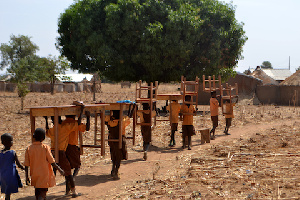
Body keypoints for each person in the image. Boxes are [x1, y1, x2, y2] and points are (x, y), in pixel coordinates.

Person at [45, 115, 86, 197]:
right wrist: (81, 114)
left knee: (52, 172)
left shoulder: (52, 130)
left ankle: (44, 192)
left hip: (52, 152)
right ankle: (74, 192)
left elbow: (47, 132)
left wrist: (46, 120)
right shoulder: (65, 127)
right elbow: (77, 124)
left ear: (52, 121)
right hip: (61, 152)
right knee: (68, 172)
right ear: (61, 119)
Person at [24, 128, 65, 200]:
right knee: (42, 193)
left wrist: (26, 177)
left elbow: (26, 165)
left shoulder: (29, 148)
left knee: (37, 192)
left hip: (34, 175)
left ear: (33, 137)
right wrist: (60, 169)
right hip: (44, 175)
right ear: (43, 138)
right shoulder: (45, 147)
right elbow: (52, 161)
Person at [105, 110, 129, 179]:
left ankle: (113, 168)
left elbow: (104, 119)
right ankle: (116, 170)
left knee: (113, 153)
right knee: (119, 156)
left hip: (111, 139)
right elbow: (128, 119)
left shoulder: (110, 121)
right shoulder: (123, 121)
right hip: (120, 139)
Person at [0, 133, 24, 200]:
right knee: (8, 192)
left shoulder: (0, 153)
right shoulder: (12, 153)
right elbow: (18, 164)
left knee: (7, 190)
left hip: (2, 175)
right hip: (10, 175)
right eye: (11, 140)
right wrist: (24, 168)